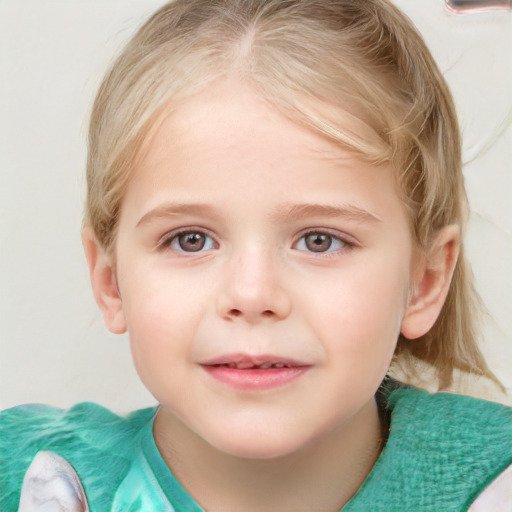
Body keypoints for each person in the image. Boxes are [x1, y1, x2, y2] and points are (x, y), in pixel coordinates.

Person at [1, 0, 511, 510]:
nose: (251, 294)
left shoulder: (493, 485)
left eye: (320, 240)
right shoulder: (36, 483)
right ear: (110, 281)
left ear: (425, 280)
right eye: (190, 239)